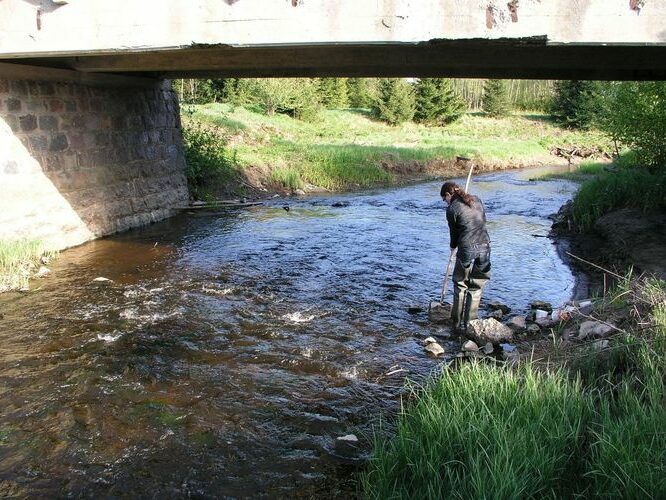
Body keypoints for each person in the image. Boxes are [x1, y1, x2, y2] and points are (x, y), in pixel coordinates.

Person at [441, 181, 491, 334]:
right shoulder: (477, 199)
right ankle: (470, 323)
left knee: (460, 285)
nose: (445, 202)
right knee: (476, 286)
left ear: (449, 195)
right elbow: (482, 220)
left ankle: (456, 324)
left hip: (466, 249)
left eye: (445, 199)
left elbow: (454, 233)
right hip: (485, 247)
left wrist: (452, 246)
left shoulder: (452, 209)